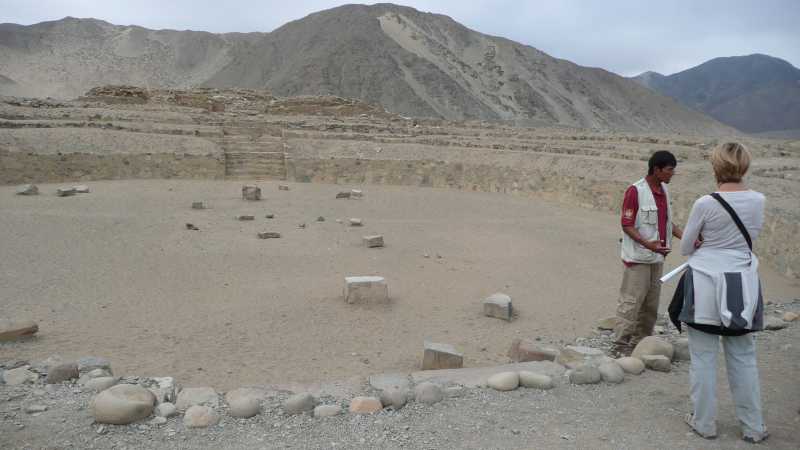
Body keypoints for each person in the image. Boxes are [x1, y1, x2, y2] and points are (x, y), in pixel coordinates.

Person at [672, 142, 768, 443]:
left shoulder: (705, 203)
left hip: (704, 286)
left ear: (715, 167)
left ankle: (704, 423)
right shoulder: (758, 201)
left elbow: (687, 246)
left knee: (703, 357)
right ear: (745, 166)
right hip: (742, 286)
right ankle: (753, 426)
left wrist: (705, 241)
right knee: (743, 357)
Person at [613, 150, 684, 354]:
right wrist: (647, 243)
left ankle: (640, 343)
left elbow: (668, 223)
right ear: (657, 169)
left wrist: (687, 237)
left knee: (651, 303)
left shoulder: (663, 191)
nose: (672, 174)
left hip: (656, 257)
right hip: (638, 258)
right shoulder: (635, 191)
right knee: (631, 301)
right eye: (670, 170)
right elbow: (627, 224)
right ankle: (619, 344)